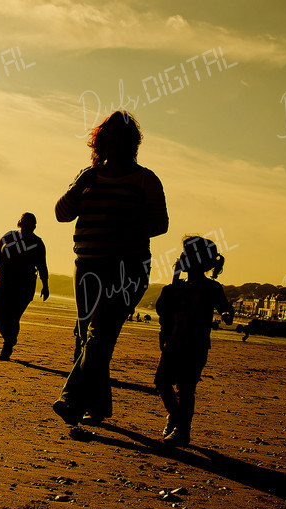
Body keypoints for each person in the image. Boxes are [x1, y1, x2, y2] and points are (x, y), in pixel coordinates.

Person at [52, 110, 169, 425]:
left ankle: (70, 400)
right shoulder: (87, 176)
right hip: (87, 263)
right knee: (85, 334)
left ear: (132, 142)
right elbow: (62, 214)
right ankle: (98, 407)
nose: (114, 141)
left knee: (99, 334)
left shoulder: (145, 179)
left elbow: (161, 223)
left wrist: (127, 228)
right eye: (109, 135)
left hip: (127, 267)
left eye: (121, 136)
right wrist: (79, 186)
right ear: (99, 140)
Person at [154, 235, 234, 446]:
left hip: (195, 346)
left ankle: (182, 430)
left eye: (187, 254)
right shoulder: (175, 287)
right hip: (172, 343)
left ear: (201, 261)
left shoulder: (212, 288)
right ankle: (175, 417)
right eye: (183, 254)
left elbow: (224, 306)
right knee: (161, 381)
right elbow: (163, 307)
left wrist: (226, 314)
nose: (182, 257)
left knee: (185, 388)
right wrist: (174, 277)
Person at [0, 213, 49, 361]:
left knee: (13, 317)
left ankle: (7, 346)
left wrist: (45, 285)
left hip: (24, 288)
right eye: (24, 225)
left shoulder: (38, 244)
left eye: (30, 226)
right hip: (3, 284)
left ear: (34, 227)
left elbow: (42, 266)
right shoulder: (8, 236)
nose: (27, 228)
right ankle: (10, 339)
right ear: (19, 224)